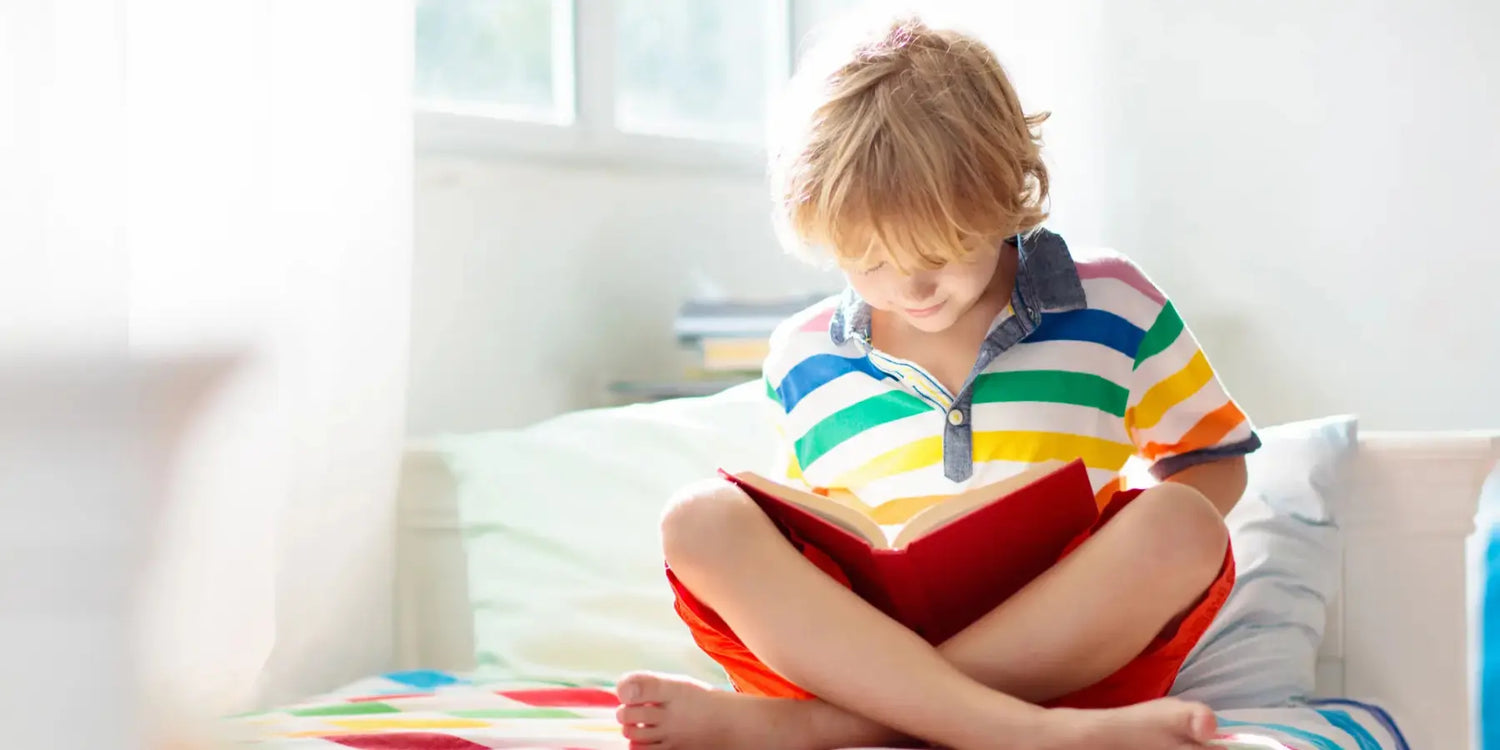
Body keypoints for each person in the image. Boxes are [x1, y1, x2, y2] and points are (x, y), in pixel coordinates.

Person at [614, 14, 1260, 750]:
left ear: (1005, 193)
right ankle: (1011, 731)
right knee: (699, 518)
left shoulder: (1114, 301)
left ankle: (830, 728)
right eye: (872, 263)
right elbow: (817, 542)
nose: (911, 287)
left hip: (1065, 649)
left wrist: (1126, 554)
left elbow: (1213, 461)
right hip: (863, 647)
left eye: (941, 250)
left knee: (1183, 522)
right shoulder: (799, 356)